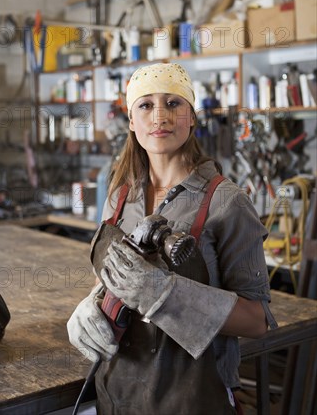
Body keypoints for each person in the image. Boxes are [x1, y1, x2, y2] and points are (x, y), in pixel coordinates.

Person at [67, 62, 277, 415]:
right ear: (132, 121)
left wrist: (164, 295)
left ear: (191, 117)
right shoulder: (119, 200)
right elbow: (110, 283)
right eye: (146, 105)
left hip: (193, 399)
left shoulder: (226, 202)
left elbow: (257, 320)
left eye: (173, 103)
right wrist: (90, 305)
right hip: (118, 395)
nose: (160, 116)